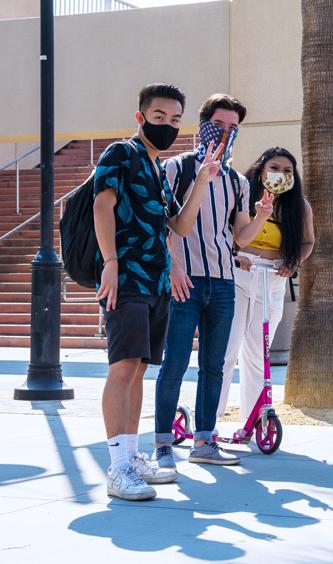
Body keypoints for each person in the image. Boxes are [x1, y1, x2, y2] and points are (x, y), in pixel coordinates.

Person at [93, 83, 222, 500]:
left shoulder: (156, 167)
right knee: (123, 366)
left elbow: (178, 228)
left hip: (156, 284)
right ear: (141, 117)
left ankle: (130, 458)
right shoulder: (121, 154)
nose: (167, 125)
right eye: (159, 117)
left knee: (139, 369)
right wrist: (111, 264)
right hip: (126, 279)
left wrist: (202, 179)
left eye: (174, 119)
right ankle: (116, 468)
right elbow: (102, 206)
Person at [152, 94, 272, 468]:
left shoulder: (237, 181)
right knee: (174, 363)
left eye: (233, 127)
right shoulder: (176, 168)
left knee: (215, 364)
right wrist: (172, 268)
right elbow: (163, 225)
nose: (225, 133)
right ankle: (162, 444)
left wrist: (262, 216)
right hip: (183, 279)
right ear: (203, 124)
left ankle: (204, 442)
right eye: (219, 125)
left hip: (223, 282)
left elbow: (240, 237)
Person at [217, 147, 314, 421]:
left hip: (271, 277)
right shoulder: (241, 196)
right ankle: (210, 419)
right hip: (237, 274)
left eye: (287, 170)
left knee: (258, 352)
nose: (280, 174)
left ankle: (254, 419)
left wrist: (293, 263)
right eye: (274, 168)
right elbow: (225, 234)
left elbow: (307, 242)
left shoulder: (299, 206)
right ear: (261, 169)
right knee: (227, 347)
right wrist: (236, 256)